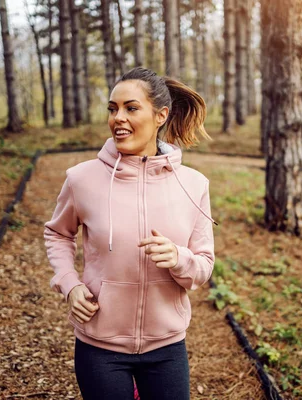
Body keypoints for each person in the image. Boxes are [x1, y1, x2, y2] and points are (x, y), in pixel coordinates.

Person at [43, 67, 217, 400]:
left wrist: (179, 259)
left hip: (166, 347)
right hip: (100, 347)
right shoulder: (82, 179)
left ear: (160, 115)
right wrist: (70, 284)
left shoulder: (194, 185)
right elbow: (58, 234)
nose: (118, 118)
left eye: (131, 108)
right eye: (113, 108)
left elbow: (204, 264)